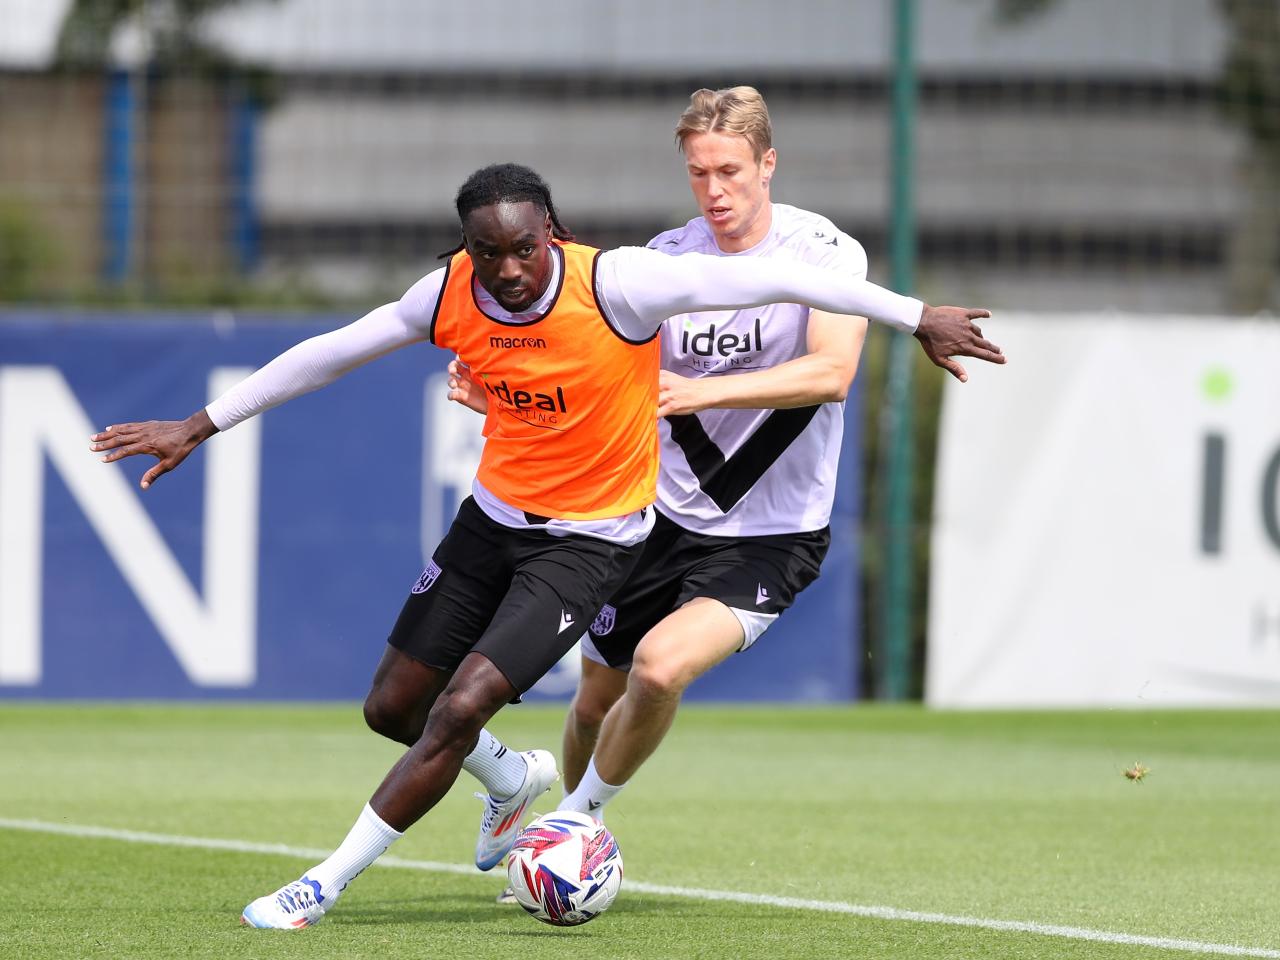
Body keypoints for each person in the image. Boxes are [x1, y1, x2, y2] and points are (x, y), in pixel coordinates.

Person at [91, 161, 1000, 930]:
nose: (512, 268)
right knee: (395, 709)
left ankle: (321, 882)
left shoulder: (621, 285)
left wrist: (913, 314)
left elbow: (789, 283)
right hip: (491, 523)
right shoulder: (447, 294)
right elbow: (332, 350)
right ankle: (513, 777)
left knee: (462, 705)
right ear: (466, 251)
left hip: (591, 543)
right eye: (490, 253)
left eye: (526, 247)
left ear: (552, 233)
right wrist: (201, 424)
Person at [454, 88, 1005, 904]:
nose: (715, 190)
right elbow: (601, 377)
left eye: (731, 170)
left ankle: (566, 832)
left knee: (659, 665)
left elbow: (831, 374)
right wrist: (503, 395)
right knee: (593, 698)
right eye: (699, 172)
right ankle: (561, 833)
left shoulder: (823, 254)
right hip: (657, 520)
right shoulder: (670, 259)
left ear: (767, 164)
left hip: (771, 535)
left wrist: (696, 393)